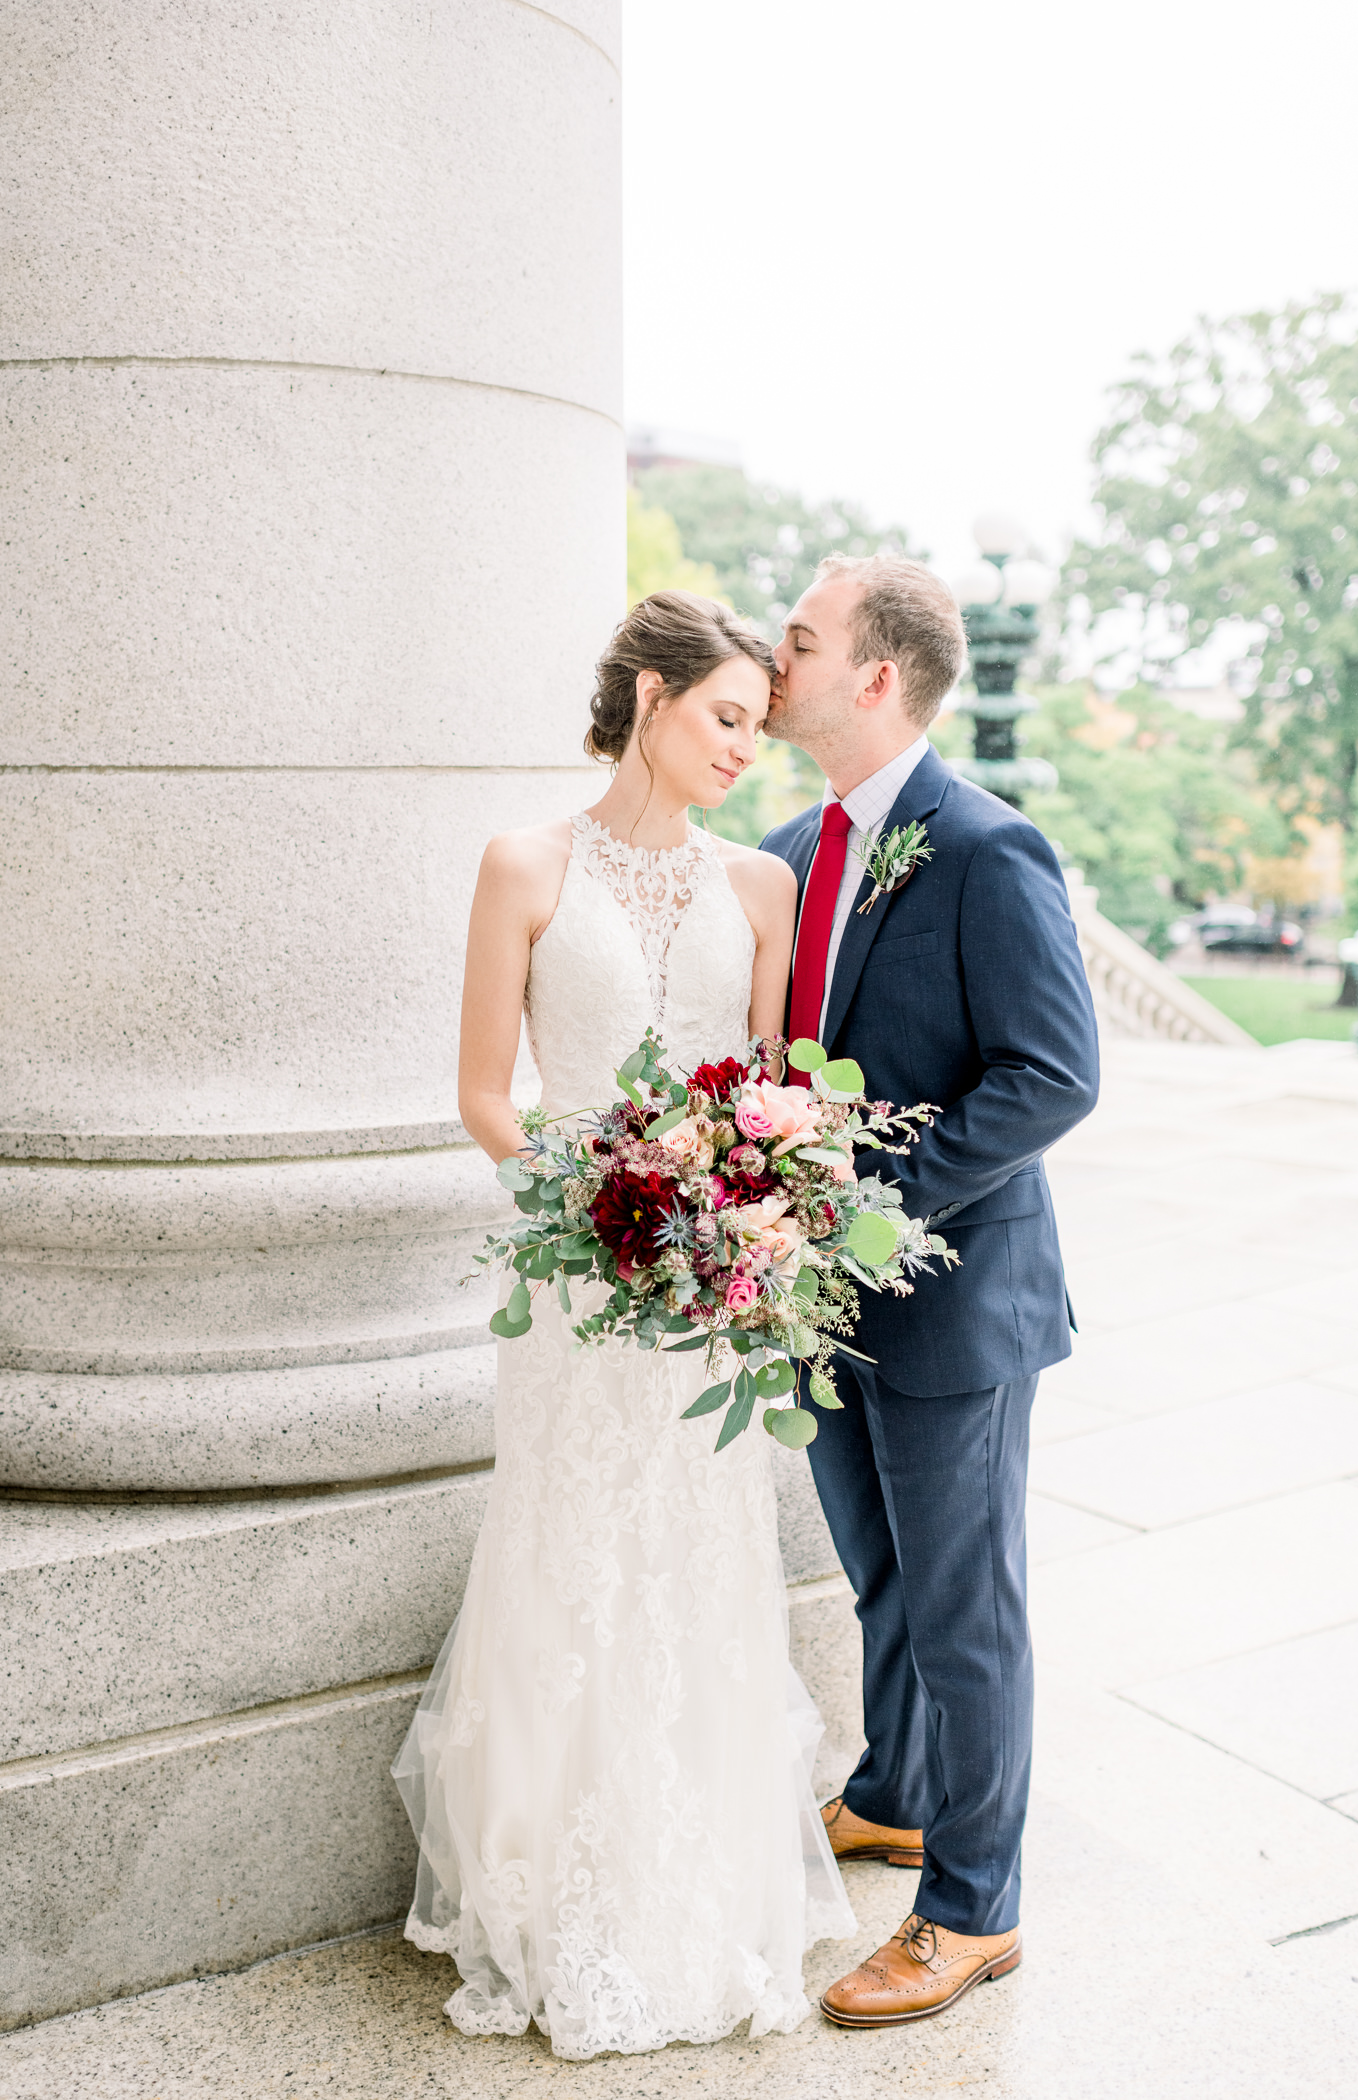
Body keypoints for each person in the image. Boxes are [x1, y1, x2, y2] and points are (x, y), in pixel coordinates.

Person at [392, 591, 855, 2061]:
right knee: (575, 1563)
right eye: (726, 718)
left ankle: (702, 1887)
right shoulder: (521, 863)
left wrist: (747, 1217)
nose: (743, 752)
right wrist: (597, 1212)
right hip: (587, 1292)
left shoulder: (758, 889)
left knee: (696, 1568)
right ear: (649, 697)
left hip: (707, 1299)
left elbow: (774, 1097)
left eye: (759, 731)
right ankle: (559, 1890)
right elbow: (485, 1093)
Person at [760, 554, 1099, 2028]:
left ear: (876, 676)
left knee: (966, 1604)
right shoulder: (785, 848)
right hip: (816, 1303)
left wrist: (868, 1216)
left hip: (956, 1301)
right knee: (878, 1575)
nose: (778, 659)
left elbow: (1053, 1075)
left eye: (802, 639)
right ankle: (897, 1792)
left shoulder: (986, 847)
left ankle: (972, 1908)